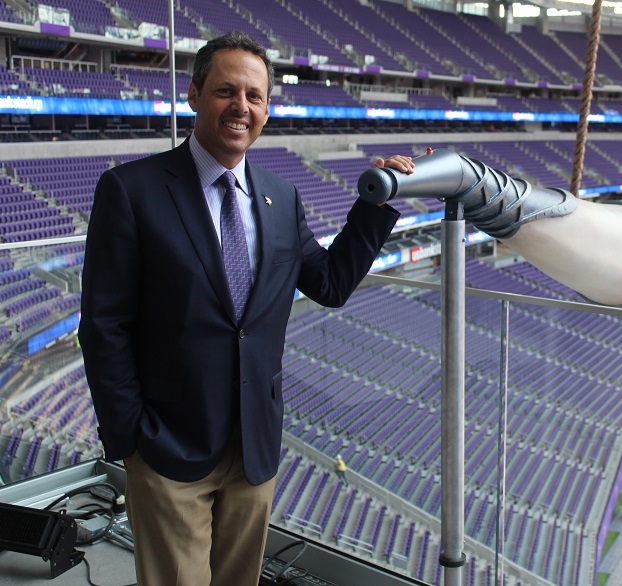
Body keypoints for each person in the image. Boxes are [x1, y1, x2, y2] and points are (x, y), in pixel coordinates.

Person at [78, 31, 414, 586]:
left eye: (254, 96)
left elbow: (329, 283)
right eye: (225, 91)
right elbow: (103, 324)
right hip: (168, 447)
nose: (241, 107)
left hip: (252, 447)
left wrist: (372, 209)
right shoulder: (130, 190)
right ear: (193, 95)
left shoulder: (281, 197)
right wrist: (130, 438)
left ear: (266, 108)